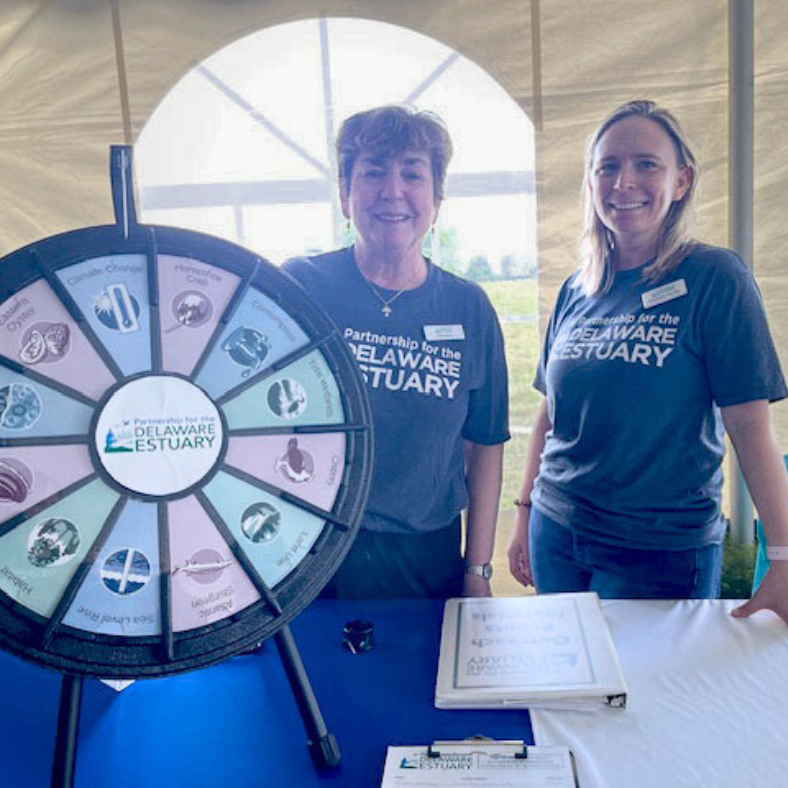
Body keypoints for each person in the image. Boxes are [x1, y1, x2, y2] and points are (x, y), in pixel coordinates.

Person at [508, 99, 788, 623]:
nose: (624, 182)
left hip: (658, 550)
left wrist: (784, 555)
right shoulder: (577, 289)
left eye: (646, 164)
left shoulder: (714, 277)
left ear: (682, 181)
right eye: (607, 166)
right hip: (557, 533)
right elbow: (550, 412)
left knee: (649, 677)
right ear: (591, 183)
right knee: (571, 670)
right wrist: (523, 513)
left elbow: (750, 425)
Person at [284, 105, 509, 599]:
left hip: (426, 557)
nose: (392, 190)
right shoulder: (301, 287)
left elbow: (485, 445)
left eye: (412, 173)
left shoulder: (468, 307)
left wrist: (478, 570)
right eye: (373, 172)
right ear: (345, 195)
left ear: (436, 200)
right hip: (311, 552)